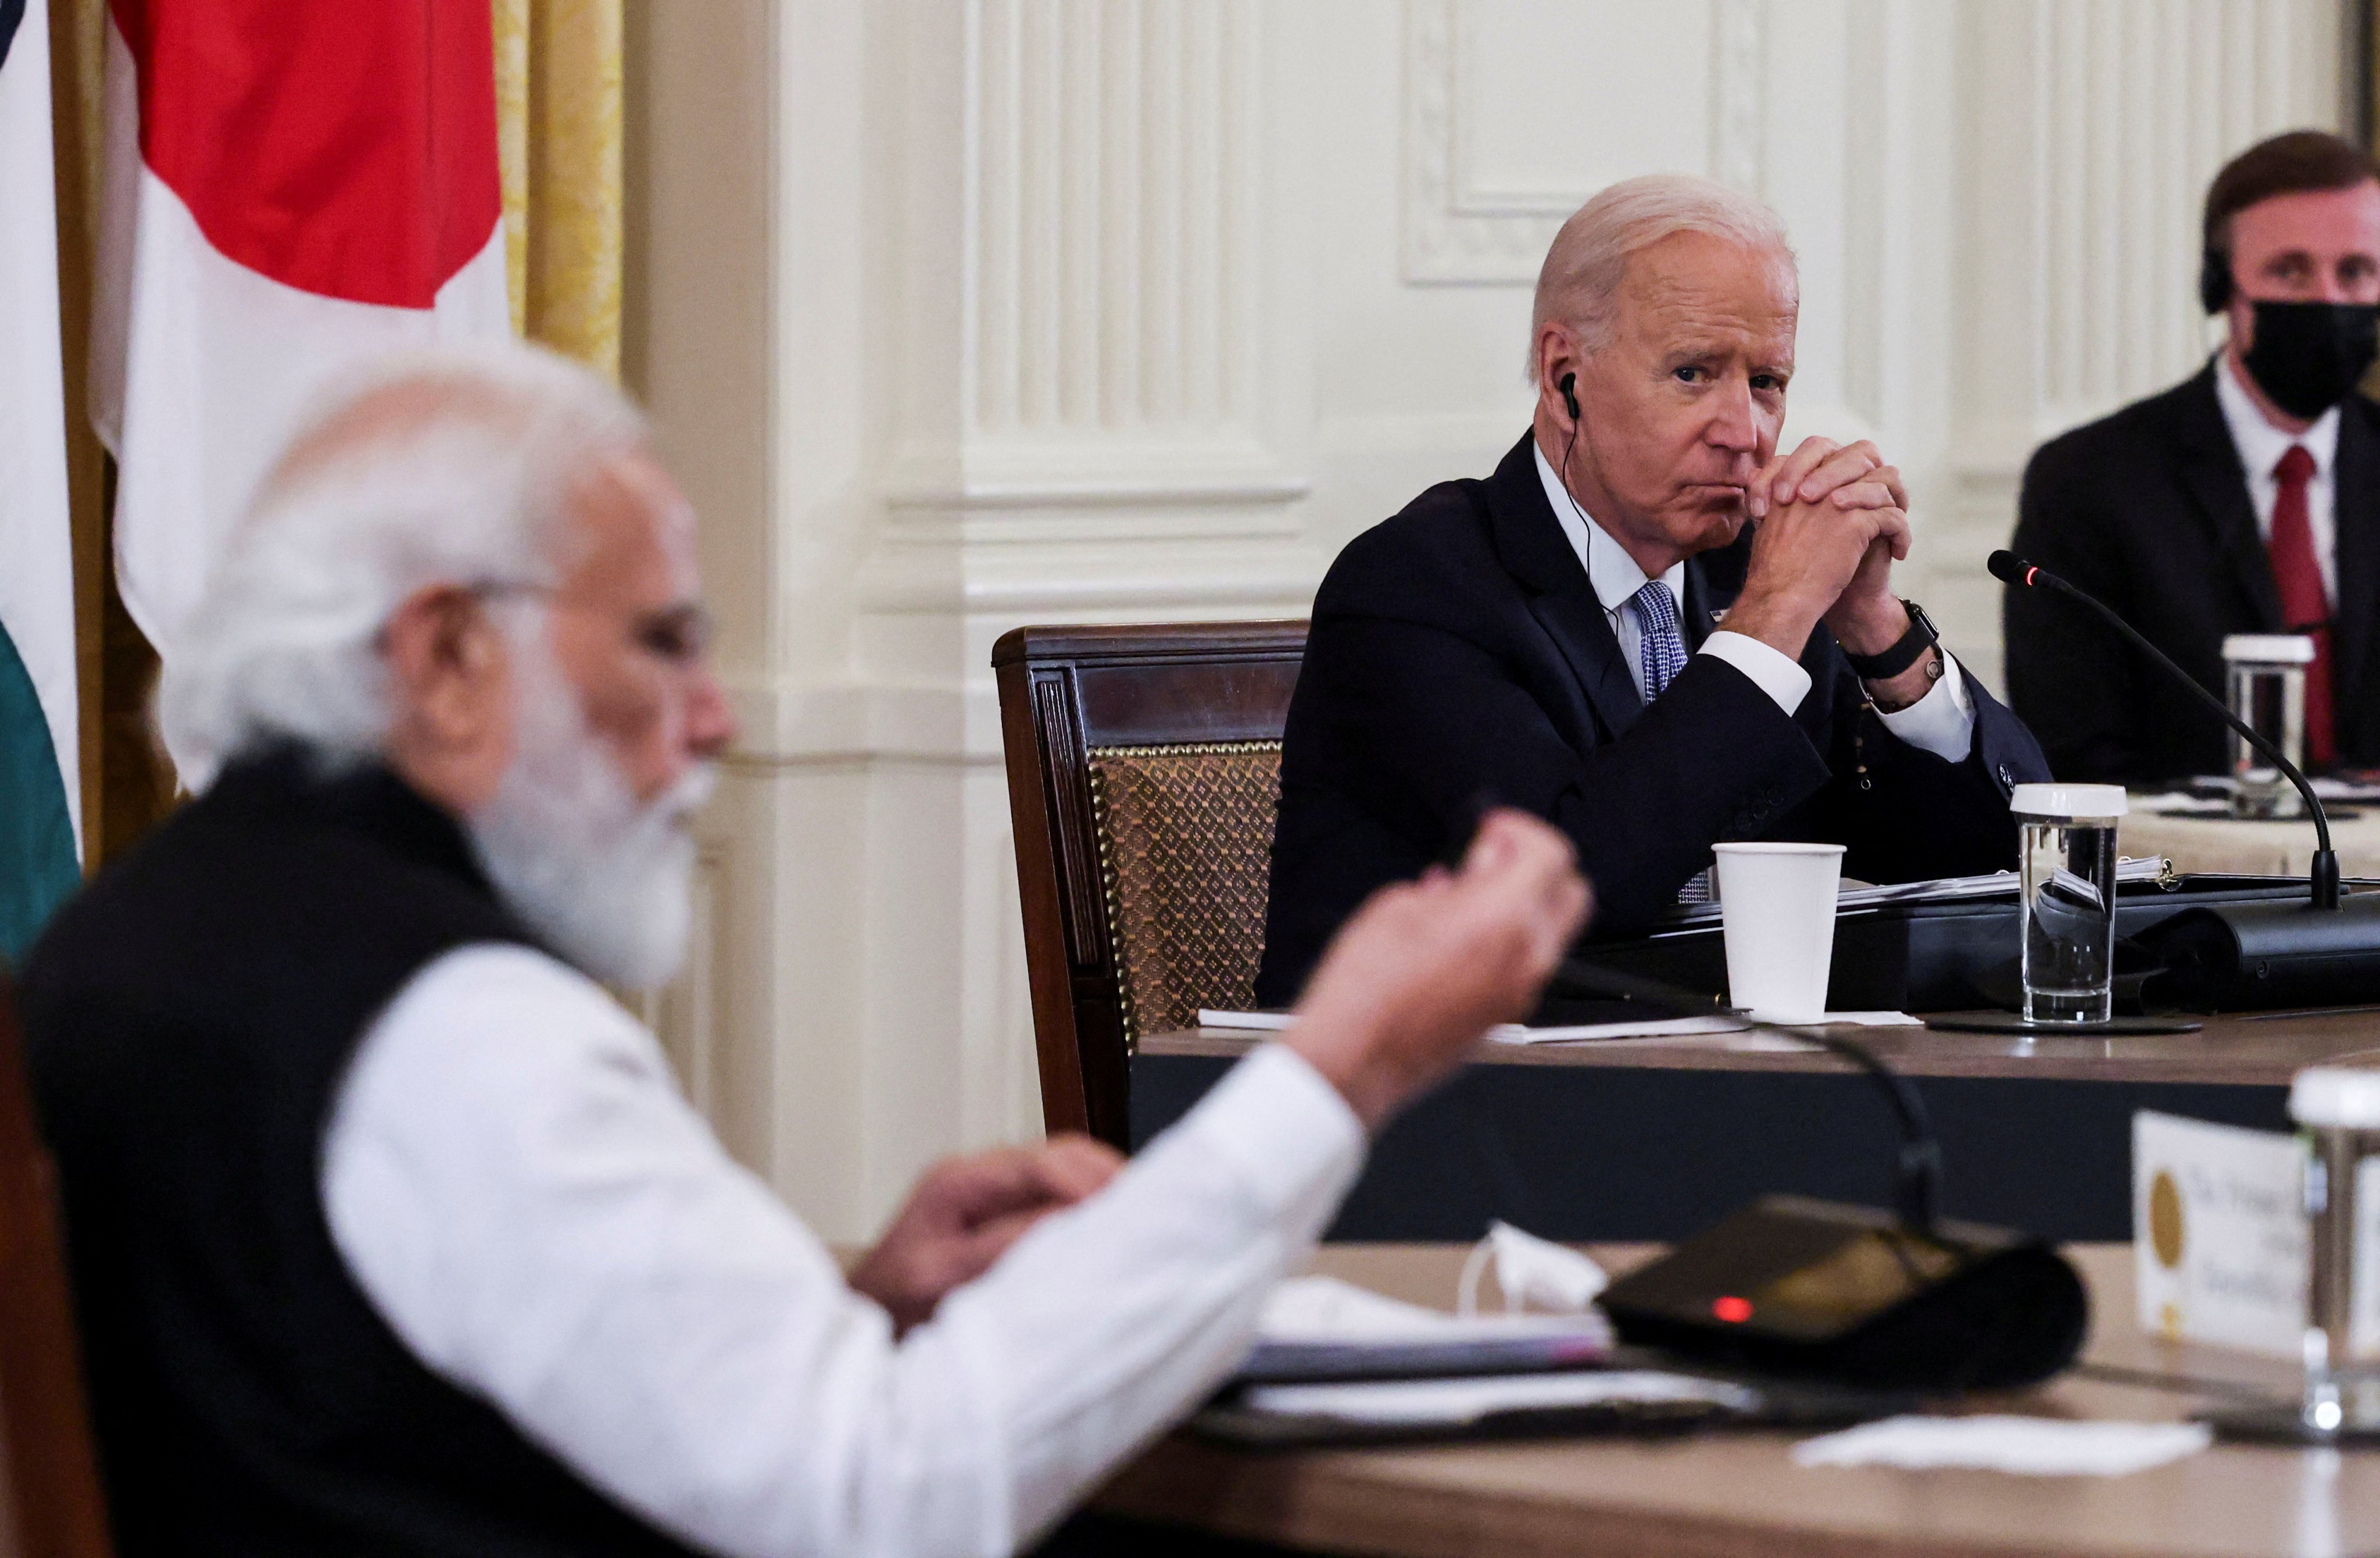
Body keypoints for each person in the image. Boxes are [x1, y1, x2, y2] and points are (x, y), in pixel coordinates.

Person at [17, 345, 1591, 1558]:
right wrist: (1336, 1066)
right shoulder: (449, 1023)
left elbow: (364, 1379)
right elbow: (880, 1502)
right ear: (442, 656)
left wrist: (847, 1306)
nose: (713, 717)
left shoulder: (142, 937)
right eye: (661, 639)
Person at [1256, 174, 2046, 1003]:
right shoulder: (1415, 587)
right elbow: (1576, 887)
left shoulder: (1753, 576)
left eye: (1766, 382)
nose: (1743, 433)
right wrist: (1770, 621)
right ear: (1566, 380)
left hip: (1722, 1090)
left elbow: (1998, 854)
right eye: (1692, 374)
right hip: (1446, 1100)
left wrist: (1878, 631)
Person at [2007, 130, 2380, 782]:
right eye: (2290, 271)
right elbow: (2072, 754)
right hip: (2187, 876)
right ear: (2218, 287)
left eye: (2355, 273)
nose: (2327, 299)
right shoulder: (2088, 480)